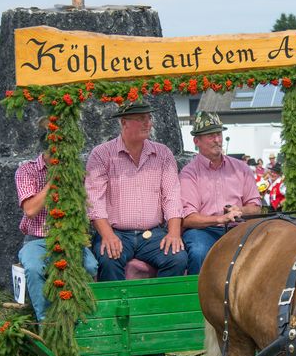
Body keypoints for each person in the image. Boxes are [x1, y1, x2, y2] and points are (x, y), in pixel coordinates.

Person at [85, 99, 187, 281]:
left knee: (177, 257)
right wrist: (107, 235)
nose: (148, 123)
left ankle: (158, 306)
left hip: (152, 233)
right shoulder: (102, 154)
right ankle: (118, 308)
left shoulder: (163, 153)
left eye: (148, 117)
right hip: (116, 231)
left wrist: (173, 233)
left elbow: (172, 196)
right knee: (109, 259)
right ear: (124, 122)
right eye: (141, 118)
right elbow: (94, 201)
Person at [16, 122, 99, 322]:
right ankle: (48, 323)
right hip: (36, 240)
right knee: (35, 268)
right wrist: (54, 180)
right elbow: (30, 210)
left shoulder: (76, 172)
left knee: (90, 266)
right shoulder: (27, 171)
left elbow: (86, 206)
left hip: (68, 239)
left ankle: (83, 320)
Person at [179, 112, 262, 274]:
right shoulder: (189, 173)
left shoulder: (241, 168)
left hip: (238, 228)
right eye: (210, 135)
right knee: (198, 251)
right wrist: (220, 218)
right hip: (204, 231)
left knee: (264, 251)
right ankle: (198, 296)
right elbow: (188, 219)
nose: (217, 139)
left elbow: (255, 207)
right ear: (197, 141)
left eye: (219, 134)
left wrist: (239, 210)